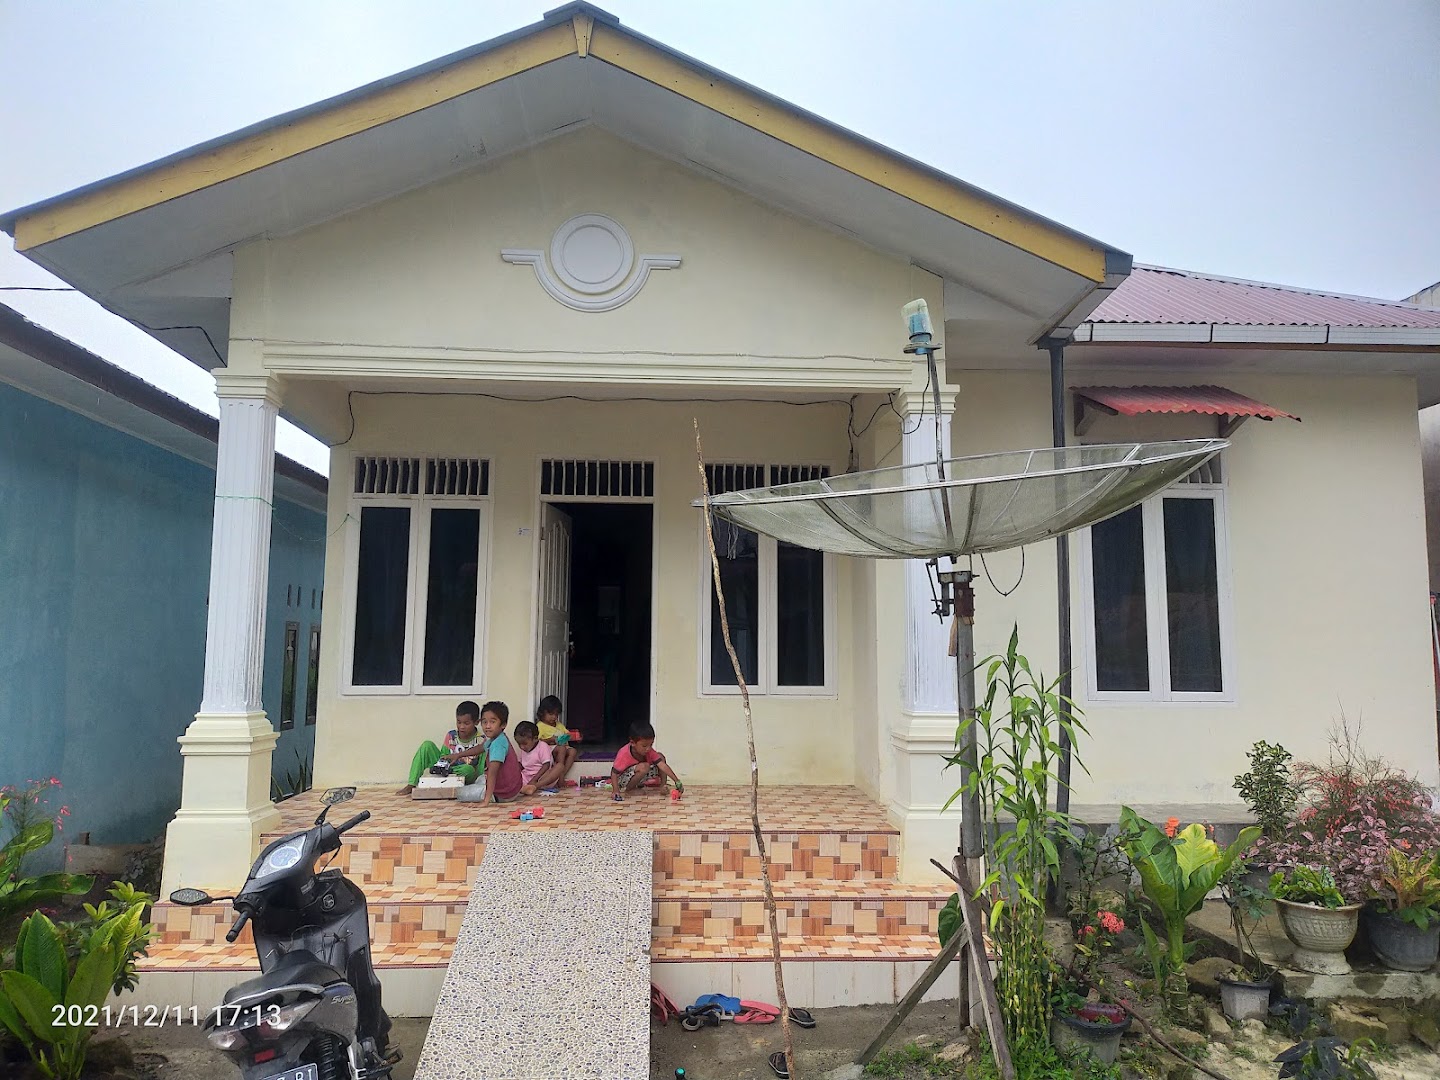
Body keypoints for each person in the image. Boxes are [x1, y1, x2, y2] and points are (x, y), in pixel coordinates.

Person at [397, 701, 484, 796]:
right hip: (446, 769)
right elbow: (444, 757)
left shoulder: (481, 740)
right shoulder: (451, 735)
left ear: (476, 722)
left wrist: (479, 781)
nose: (461, 727)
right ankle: (411, 784)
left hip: (467, 774)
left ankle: (445, 774)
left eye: (466, 723)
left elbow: (479, 768)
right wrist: (444, 765)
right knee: (427, 745)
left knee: (468, 769)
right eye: (459, 722)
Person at [608, 720, 683, 802]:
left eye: (651, 745)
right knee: (644, 766)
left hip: (639, 776)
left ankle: (663, 786)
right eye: (644, 746)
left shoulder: (649, 751)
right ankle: (630, 789)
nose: (648, 749)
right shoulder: (624, 753)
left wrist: (677, 781)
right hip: (624, 780)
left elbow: (662, 765)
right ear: (633, 743)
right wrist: (615, 790)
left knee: (660, 757)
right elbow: (614, 773)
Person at [475, 700, 524, 805]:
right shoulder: (497, 738)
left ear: (503, 724)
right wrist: (458, 755)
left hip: (504, 795)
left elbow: (492, 774)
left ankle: (490, 796)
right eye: (484, 722)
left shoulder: (498, 744)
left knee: (461, 793)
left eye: (492, 722)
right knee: (480, 779)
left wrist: (486, 801)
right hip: (512, 790)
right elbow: (480, 748)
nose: (487, 726)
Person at [512, 721, 568, 796]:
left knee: (560, 766)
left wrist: (534, 780)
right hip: (526, 777)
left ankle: (534, 787)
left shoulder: (542, 746)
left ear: (535, 739)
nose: (522, 747)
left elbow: (546, 765)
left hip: (542, 779)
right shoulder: (523, 750)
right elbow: (521, 765)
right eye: (519, 744)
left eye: (525, 744)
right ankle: (525, 788)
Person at [534, 695, 580, 783]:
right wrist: (550, 740)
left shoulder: (559, 725)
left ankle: (561, 773)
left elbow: (567, 734)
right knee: (562, 749)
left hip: (562, 747)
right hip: (549, 749)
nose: (554, 717)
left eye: (556, 714)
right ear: (542, 713)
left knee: (573, 751)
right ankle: (560, 775)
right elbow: (537, 742)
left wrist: (575, 736)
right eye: (551, 714)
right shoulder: (540, 726)